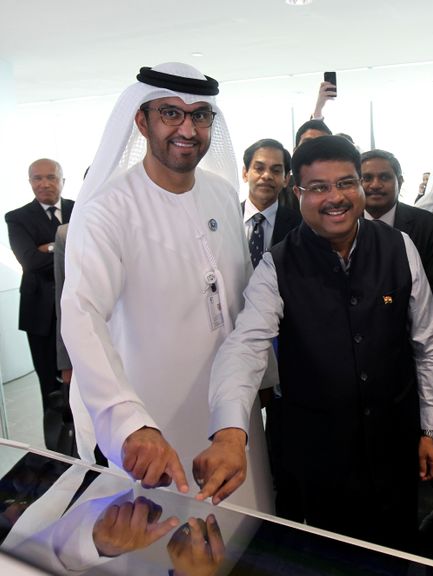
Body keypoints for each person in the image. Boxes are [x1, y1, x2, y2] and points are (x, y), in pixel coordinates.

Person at [209, 135, 433, 551]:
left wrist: (430, 427)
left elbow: (428, 343)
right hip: (322, 456)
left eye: (346, 183)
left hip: (395, 443)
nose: (335, 198)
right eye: (318, 188)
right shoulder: (277, 264)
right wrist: (229, 429)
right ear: (296, 193)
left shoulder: (399, 246)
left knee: (399, 550)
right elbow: (245, 345)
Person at [60, 62, 272, 513]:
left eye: (200, 115)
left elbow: (236, 300)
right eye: (171, 113)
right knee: (159, 539)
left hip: (229, 415)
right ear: (143, 121)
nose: (187, 128)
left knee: (244, 536)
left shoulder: (220, 193)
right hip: (150, 416)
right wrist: (128, 423)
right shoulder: (107, 209)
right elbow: (82, 316)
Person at [5, 158, 74, 453]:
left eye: (50, 177)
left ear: (62, 180)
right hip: (42, 317)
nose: (44, 184)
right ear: (29, 181)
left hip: (77, 309)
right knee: (51, 384)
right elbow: (30, 262)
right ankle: (60, 451)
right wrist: (65, 245)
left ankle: (93, 446)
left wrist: (48, 246)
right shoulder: (17, 217)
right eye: (37, 178)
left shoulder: (80, 209)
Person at [361, 149, 433, 304]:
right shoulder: (344, 224)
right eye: (367, 178)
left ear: (399, 182)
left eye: (384, 177)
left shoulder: (428, 225)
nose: (375, 185)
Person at [241, 138, 301, 266]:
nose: (267, 176)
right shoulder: (226, 218)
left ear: (286, 179)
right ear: (245, 173)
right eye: (259, 168)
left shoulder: (299, 226)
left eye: (276, 170)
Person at [277, 119, 333, 212]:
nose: (314, 150)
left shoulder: (341, 188)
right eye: (307, 144)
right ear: (295, 152)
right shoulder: (280, 190)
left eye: (322, 145)